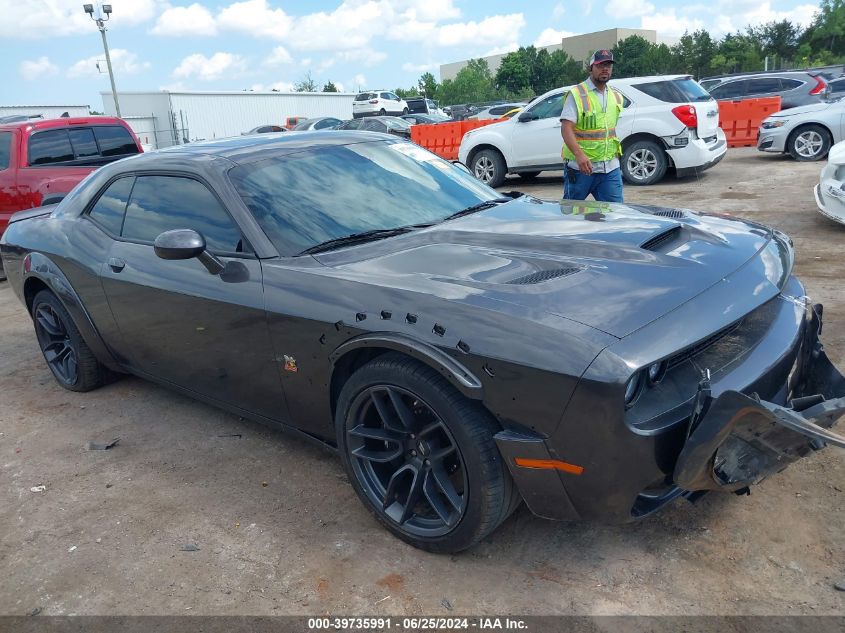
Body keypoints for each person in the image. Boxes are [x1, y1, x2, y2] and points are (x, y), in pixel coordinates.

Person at [560, 50, 625, 202]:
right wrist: (579, 155)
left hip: (610, 169)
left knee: (616, 215)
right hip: (581, 169)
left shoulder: (616, 96)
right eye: (600, 65)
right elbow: (566, 128)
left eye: (608, 65)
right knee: (572, 215)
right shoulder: (576, 94)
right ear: (591, 68)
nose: (605, 69)